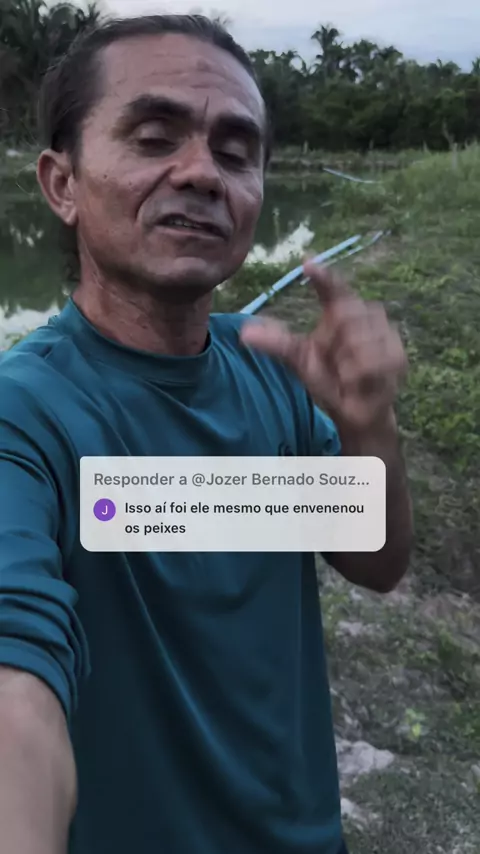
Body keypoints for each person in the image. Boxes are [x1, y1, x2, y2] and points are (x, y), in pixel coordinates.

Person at [0, 14, 413, 854]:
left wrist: (369, 426)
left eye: (235, 152)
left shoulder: (272, 372)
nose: (201, 172)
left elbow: (375, 562)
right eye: (154, 138)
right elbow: (17, 690)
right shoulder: (25, 415)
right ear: (61, 183)